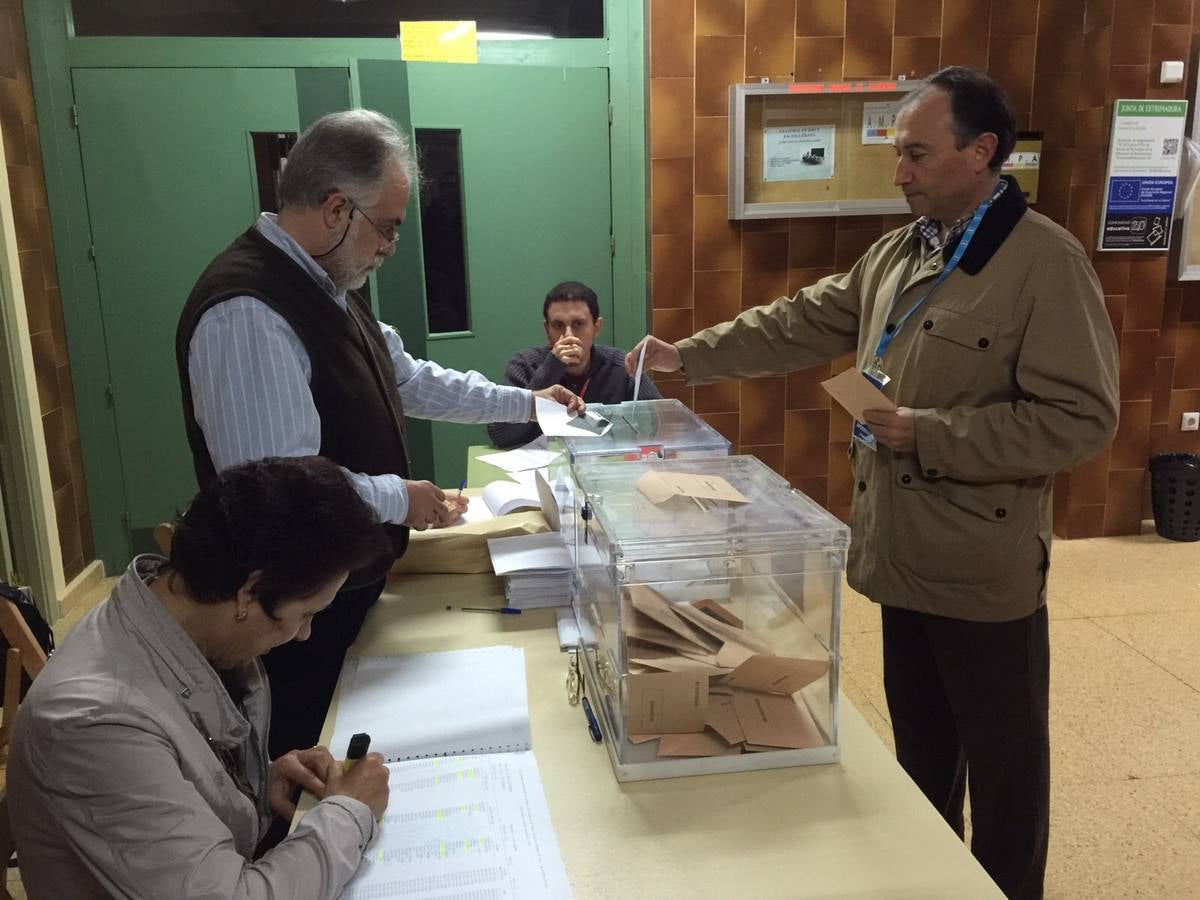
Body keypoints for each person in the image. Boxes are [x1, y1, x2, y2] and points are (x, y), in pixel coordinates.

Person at [627, 67, 1119, 900]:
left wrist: (927, 432)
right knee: (921, 752)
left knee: (1004, 770)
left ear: (982, 152)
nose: (899, 172)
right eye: (899, 153)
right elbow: (805, 318)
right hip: (895, 550)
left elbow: (1082, 420)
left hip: (980, 566)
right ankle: (927, 879)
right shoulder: (904, 248)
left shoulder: (1045, 264)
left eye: (918, 154)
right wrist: (691, 356)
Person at [175, 110, 582, 758]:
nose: (391, 246)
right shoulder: (248, 312)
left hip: (340, 592)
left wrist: (527, 403)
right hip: (286, 622)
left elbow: (411, 379)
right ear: (337, 209)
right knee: (304, 770)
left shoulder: (329, 285)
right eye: (386, 227)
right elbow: (282, 495)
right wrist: (401, 499)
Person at [8, 456, 393, 899]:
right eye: (304, 615)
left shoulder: (163, 620)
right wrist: (349, 814)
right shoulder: (94, 724)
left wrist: (255, 788)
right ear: (249, 592)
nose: (303, 635)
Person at [487, 280, 661, 448]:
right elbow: (500, 435)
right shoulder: (525, 364)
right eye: (558, 325)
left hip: (605, 465)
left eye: (578, 324)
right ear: (547, 330)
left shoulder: (621, 366)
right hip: (540, 470)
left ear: (596, 327)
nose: (568, 336)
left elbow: (660, 424)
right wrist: (550, 371)